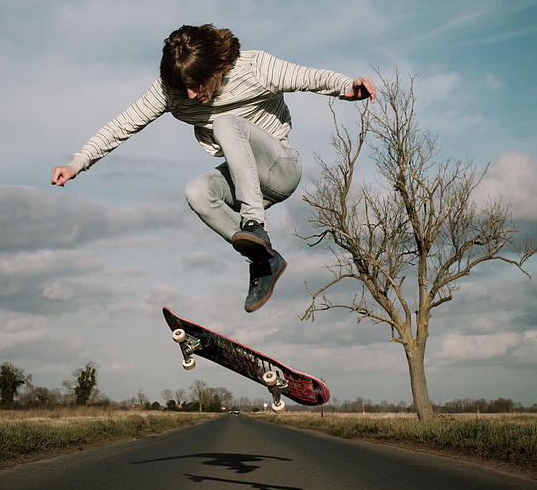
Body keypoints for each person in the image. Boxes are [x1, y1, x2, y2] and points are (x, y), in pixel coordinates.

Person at [51, 24, 375, 312]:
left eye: (197, 85)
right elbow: (123, 123)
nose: (192, 95)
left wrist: (347, 86)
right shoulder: (171, 90)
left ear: (216, 67)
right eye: (184, 89)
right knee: (196, 191)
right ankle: (264, 261)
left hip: (281, 167)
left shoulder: (254, 67)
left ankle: (254, 223)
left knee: (226, 124)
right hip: (243, 176)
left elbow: (308, 77)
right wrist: (78, 162)